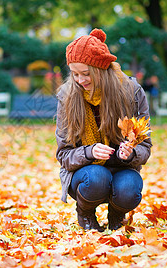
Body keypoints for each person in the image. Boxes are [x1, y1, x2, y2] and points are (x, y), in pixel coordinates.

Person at [55, 28, 152, 232]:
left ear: (101, 69)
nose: (80, 81)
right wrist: (89, 152)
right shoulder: (68, 96)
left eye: (86, 73)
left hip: (123, 168)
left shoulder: (132, 92)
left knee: (129, 190)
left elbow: (145, 146)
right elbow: (63, 154)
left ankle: (117, 215)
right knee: (97, 178)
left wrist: (132, 152)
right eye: (75, 74)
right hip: (85, 172)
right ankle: (85, 213)